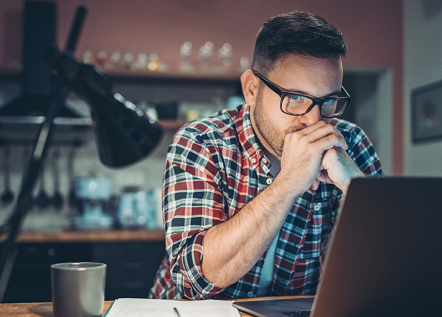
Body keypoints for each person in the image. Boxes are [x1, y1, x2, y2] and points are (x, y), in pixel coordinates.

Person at [149, 11, 383, 300]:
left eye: (328, 101)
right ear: (252, 89)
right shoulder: (201, 141)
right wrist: (288, 183)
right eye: (296, 97)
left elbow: (386, 268)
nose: (314, 121)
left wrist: (355, 189)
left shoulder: (351, 143)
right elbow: (192, 281)